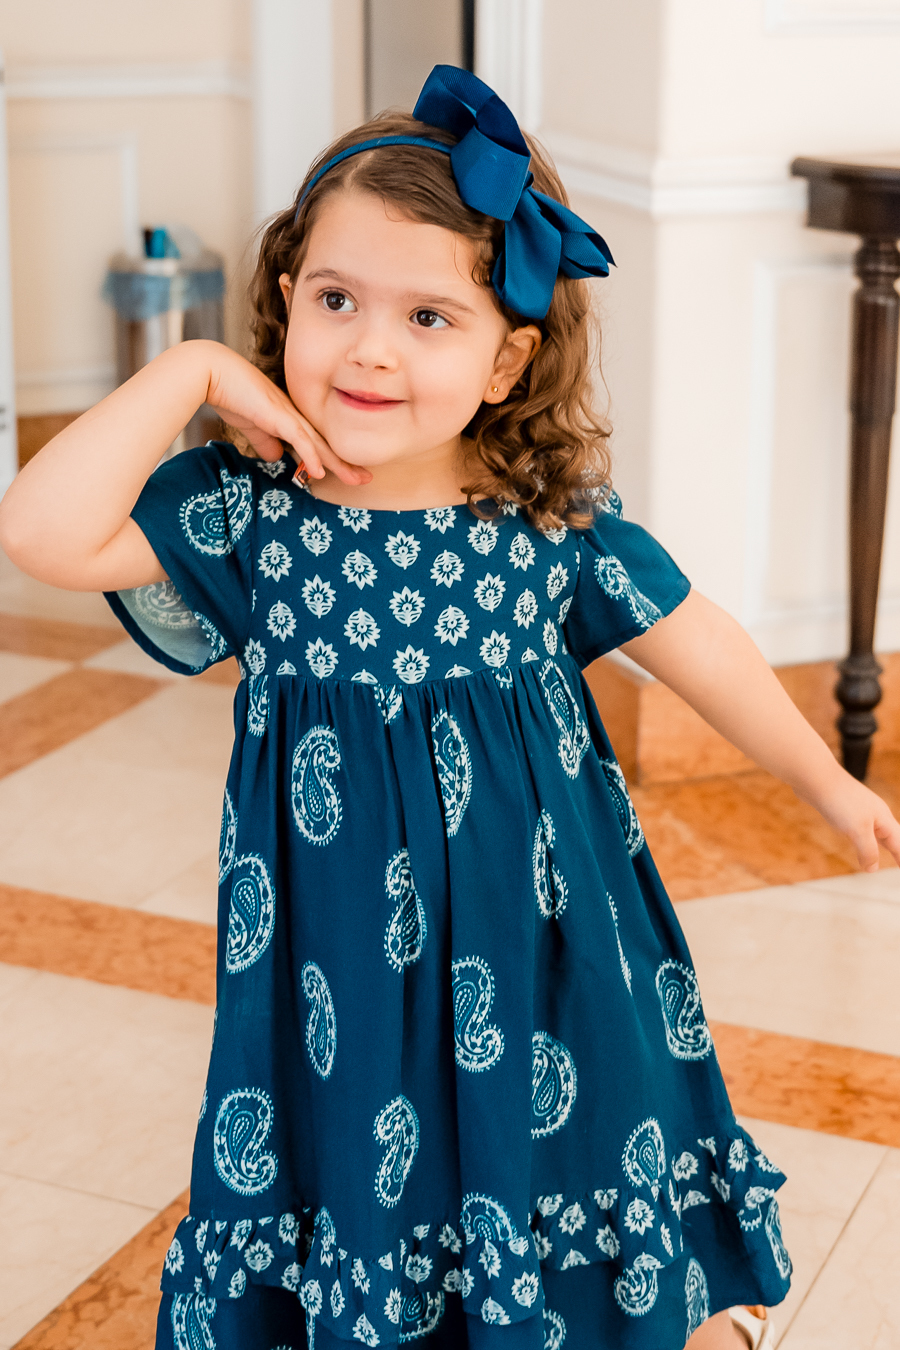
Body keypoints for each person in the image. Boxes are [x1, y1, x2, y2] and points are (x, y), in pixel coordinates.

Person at [1, 64, 897, 1350]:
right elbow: (37, 531)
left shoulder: (545, 521)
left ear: (506, 356)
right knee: (368, 1158)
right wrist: (193, 368)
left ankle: (661, 1319)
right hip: (331, 956)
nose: (370, 346)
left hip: (541, 930)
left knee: (576, 1132)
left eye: (430, 317)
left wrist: (828, 780)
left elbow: (698, 642)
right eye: (336, 299)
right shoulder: (249, 514)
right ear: (287, 303)